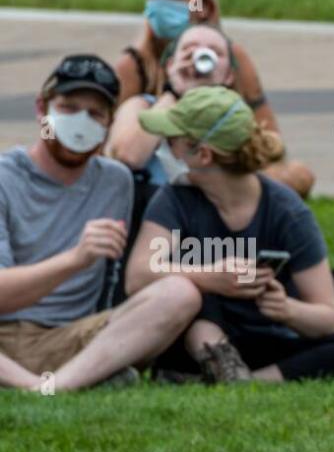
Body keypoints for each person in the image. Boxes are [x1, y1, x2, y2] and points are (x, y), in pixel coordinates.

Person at [124, 86, 334, 383]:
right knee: (192, 292)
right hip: (194, 340)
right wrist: (209, 277)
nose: (163, 150)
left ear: (203, 154)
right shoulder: (175, 197)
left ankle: (250, 379)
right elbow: (138, 276)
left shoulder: (287, 212)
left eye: (172, 142)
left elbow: (328, 319)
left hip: (262, 339)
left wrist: (287, 309)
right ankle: (219, 362)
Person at [0, 55, 201, 392]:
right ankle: (43, 384)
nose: (80, 123)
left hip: (79, 338)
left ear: (109, 122)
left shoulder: (115, 181)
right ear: (42, 109)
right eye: (68, 108)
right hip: (4, 336)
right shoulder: (6, 177)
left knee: (179, 293)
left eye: (94, 114)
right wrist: (75, 259)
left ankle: (60, 383)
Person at [114, 0, 315, 197]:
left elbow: (272, 150)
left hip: (221, 180)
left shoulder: (233, 58)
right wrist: (175, 90)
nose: (160, 3)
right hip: (152, 185)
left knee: (296, 176)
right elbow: (119, 155)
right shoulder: (135, 65)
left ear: (205, 4)